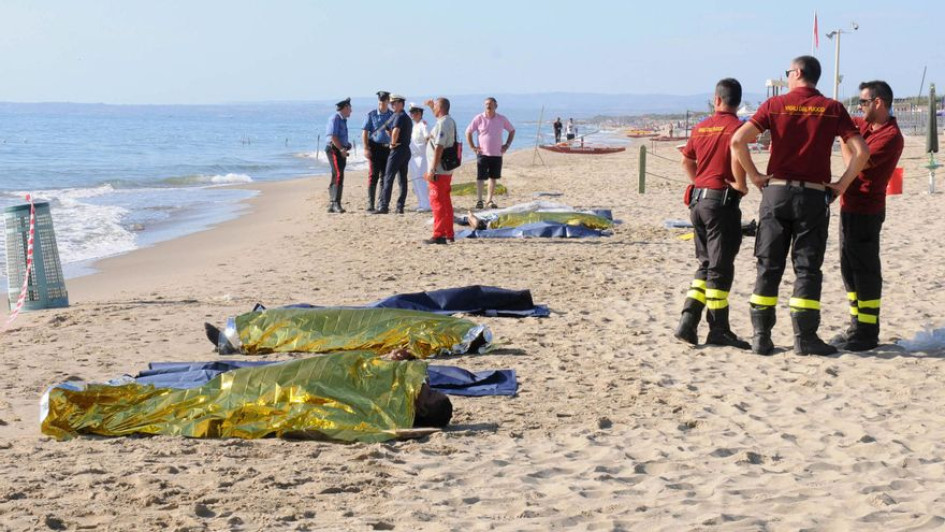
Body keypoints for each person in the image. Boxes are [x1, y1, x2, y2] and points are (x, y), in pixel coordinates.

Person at [731, 55, 870, 356]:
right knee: (807, 268)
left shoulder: (774, 105)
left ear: (796, 73)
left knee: (768, 264)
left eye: (787, 73)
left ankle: (761, 337)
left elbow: (737, 141)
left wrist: (754, 175)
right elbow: (861, 151)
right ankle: (804, 337)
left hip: (777, 191)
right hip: (813, 195)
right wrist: (842, 184)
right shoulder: (833, 109)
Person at [673, 78, 751, 350]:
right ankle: (718, 329)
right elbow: (737, 155)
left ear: (716, 99)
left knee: (706, 264)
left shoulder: (701, 127)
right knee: (720, 268)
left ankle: (688, 320)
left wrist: (700, 183)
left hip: (697, 202)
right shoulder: (737, 128)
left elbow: (686, 160)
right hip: (721, 203)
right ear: (737, 103)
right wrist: (741, 185)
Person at [832, 81, 904, 351]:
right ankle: (857, 325)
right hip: (849, 207)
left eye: (863, 102)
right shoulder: (865, 126)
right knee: (848, 268)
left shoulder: (891, 136)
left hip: (867, 210)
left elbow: (857, 160)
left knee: (865, 271)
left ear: (879, 103)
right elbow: (844, 125)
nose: (859, 107)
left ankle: (867, 332)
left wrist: (844, 140)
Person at [465, 97, 516, 210]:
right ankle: (479, 200)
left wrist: (507, 145)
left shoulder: (502, 119)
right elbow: (468, 132)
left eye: (490, 104)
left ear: (495, 106)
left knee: (493, 178)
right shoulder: (479, 118)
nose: (488, 106)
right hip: (482, 153)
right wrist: (472, 146)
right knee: (480, 177)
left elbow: (512, 130)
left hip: (497, 154)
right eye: (486, 104)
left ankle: (489, 200)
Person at [424, 97, 457, 245]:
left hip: (439, 170)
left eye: (435, 106)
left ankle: (439, 235)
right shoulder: (446, 121)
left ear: (441, 107)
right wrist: (432, 107)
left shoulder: (443, 123)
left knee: (437, 202)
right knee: (445, 202)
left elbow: (439, 147)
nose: (434, 109)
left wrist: (432, 169)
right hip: (444, 170)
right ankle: (449, 233)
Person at [376, 94, 412, 214]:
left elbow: (396, 131)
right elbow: (397, 132)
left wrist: (392, 143)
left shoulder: (399, 116)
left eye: (394, 103)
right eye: (391, 103)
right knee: (402, 179)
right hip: (405, 150)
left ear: (401, 103)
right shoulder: (406, 117)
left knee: (388, 177)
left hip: (398, 150)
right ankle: (400, 206)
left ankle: (384, 206)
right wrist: (390, 133)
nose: (392, 105)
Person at [362, 91, 394, 212]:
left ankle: (382, 203)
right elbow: (365, 132)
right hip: (374, 148)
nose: (382, 103)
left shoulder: (392, 115)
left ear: (388, 102)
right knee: (373, 175)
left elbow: (396, 132)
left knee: (385, 177)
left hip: (387, 149)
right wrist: (366, 148)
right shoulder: (372, 115)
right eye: (380, 101)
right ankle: (370, 203)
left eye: (384, 101)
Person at [325, 97, 352, 213]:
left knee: (335, 174)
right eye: (350, 108)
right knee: (339, 174)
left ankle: (332, 203)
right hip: (334, 150)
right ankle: (336, 203)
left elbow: (340, 137)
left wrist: (347, 145)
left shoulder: (342, 120)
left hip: (340, 149)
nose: (351, 111)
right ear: (345, 108)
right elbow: (333, 137)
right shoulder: (335, 118)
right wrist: (341, 149)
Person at [408, 103, 432, 212]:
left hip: (422, 157)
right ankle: (421, 203)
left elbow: (428, 138)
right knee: (415, 181)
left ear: (419, 113)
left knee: (421, 180)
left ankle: (426, 204)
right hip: (413, 157)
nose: (411, 114)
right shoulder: (414, 125)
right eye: (410, 112)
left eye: (413, 112)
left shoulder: (424, 124)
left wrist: (428, 154)